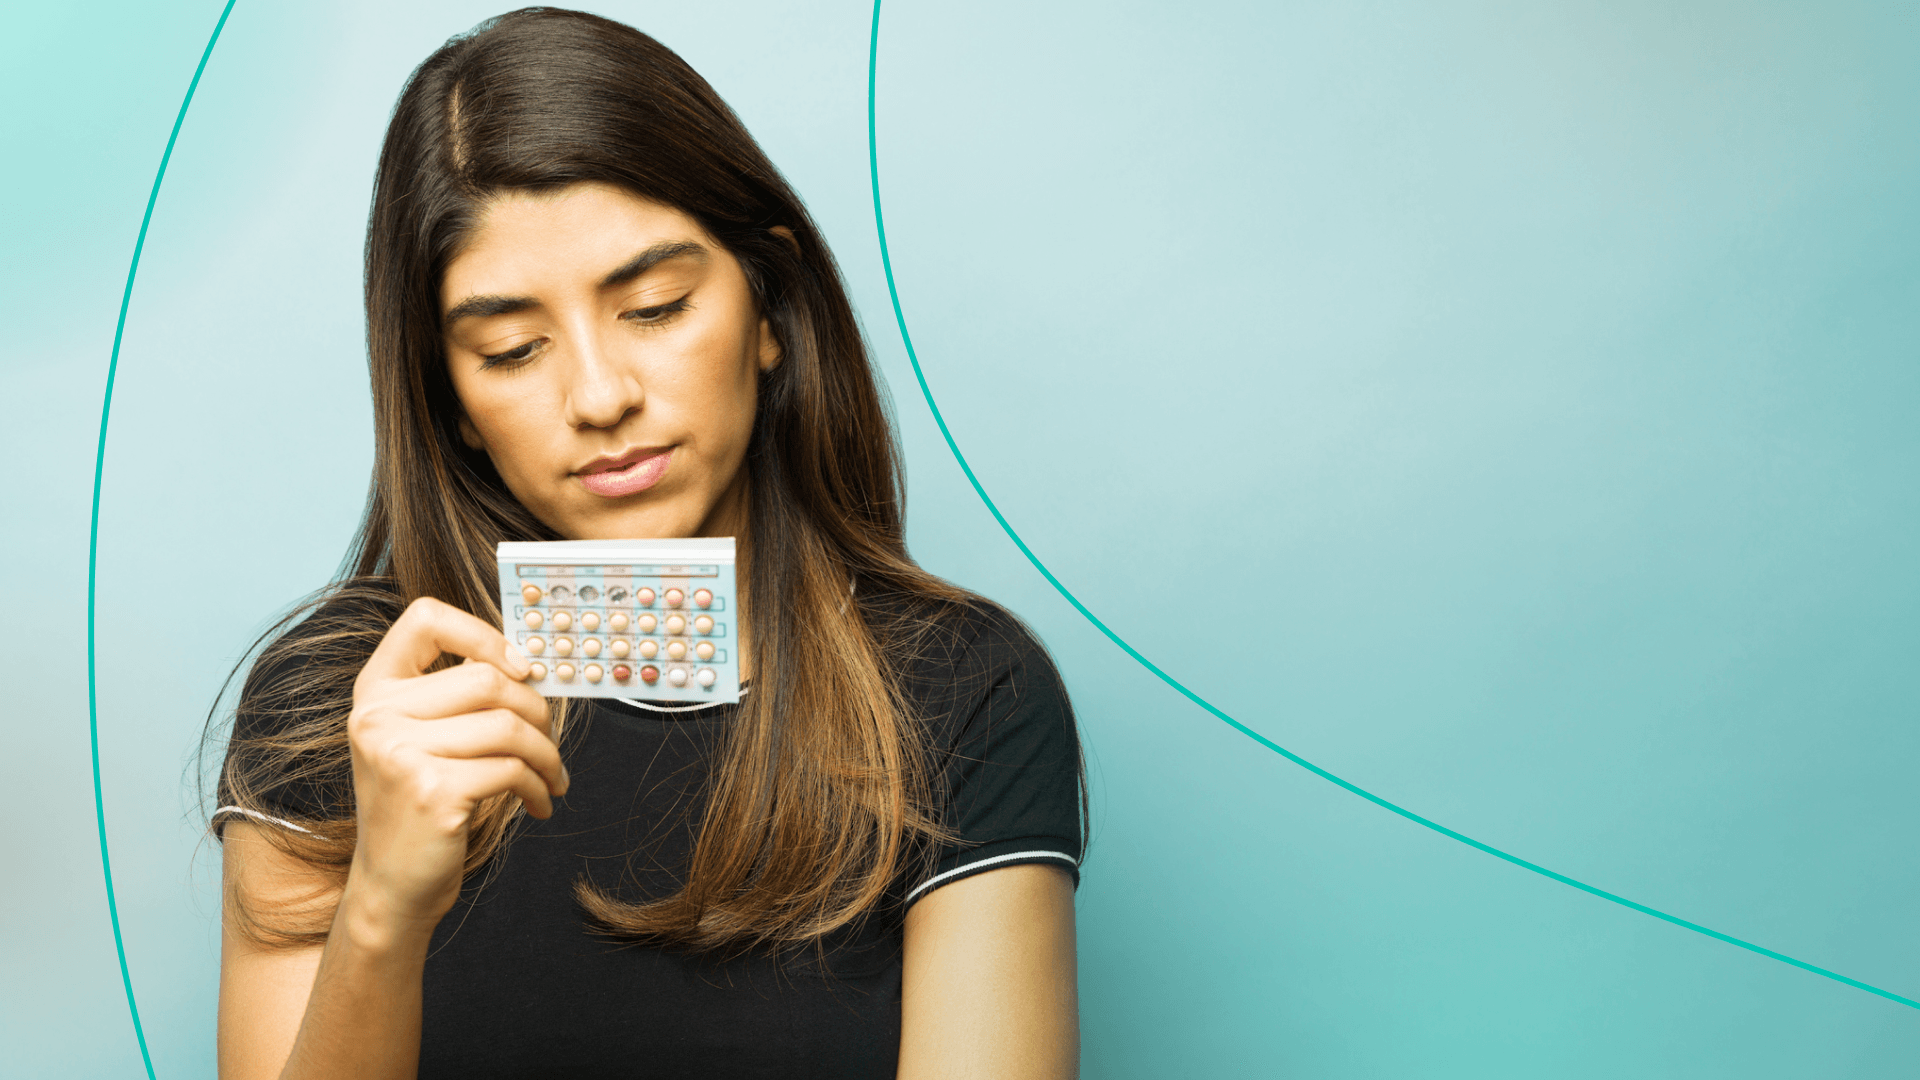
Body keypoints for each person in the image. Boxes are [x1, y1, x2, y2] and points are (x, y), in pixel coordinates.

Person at [209, 8, 1086, 1078]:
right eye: (513, 347)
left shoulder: (962, 692)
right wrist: (383, 911)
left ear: (770, 311)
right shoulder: (331, 705)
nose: (598, 395)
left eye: (656, 308)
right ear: (450, 400)